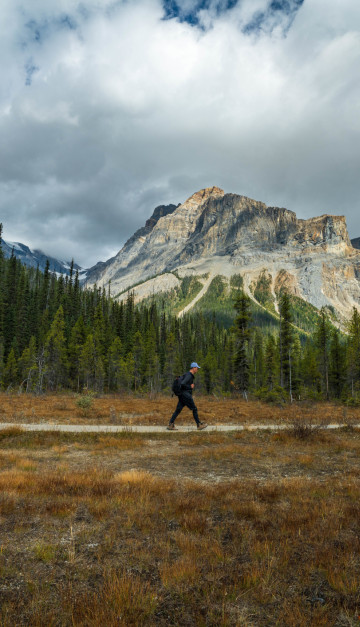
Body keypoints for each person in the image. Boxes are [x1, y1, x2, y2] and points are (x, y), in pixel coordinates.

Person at [167, 362, 208, 430]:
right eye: (197, 368)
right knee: (194, 409)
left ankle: (170, 424)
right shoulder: (189, 375)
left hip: (182, 395)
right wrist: (190, 387)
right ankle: (199, 425)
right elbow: (183, 384)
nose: (197, 369)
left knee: (178, 410)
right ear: (193, 368)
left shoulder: (187, 374)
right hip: (185, 395)